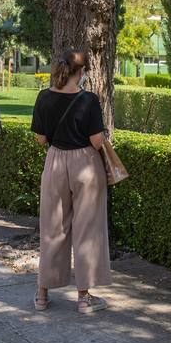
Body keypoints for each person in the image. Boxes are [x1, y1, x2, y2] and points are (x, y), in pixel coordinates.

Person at [30, 49, 111, 314]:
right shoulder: (88, 100)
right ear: (82, 72)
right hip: (85, 164)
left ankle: (42, 294)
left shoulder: (44, 97)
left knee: (52, 226)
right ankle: (84, 297)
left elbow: (41, 139)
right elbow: (97, 141)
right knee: (87, 228)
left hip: (55, 161)